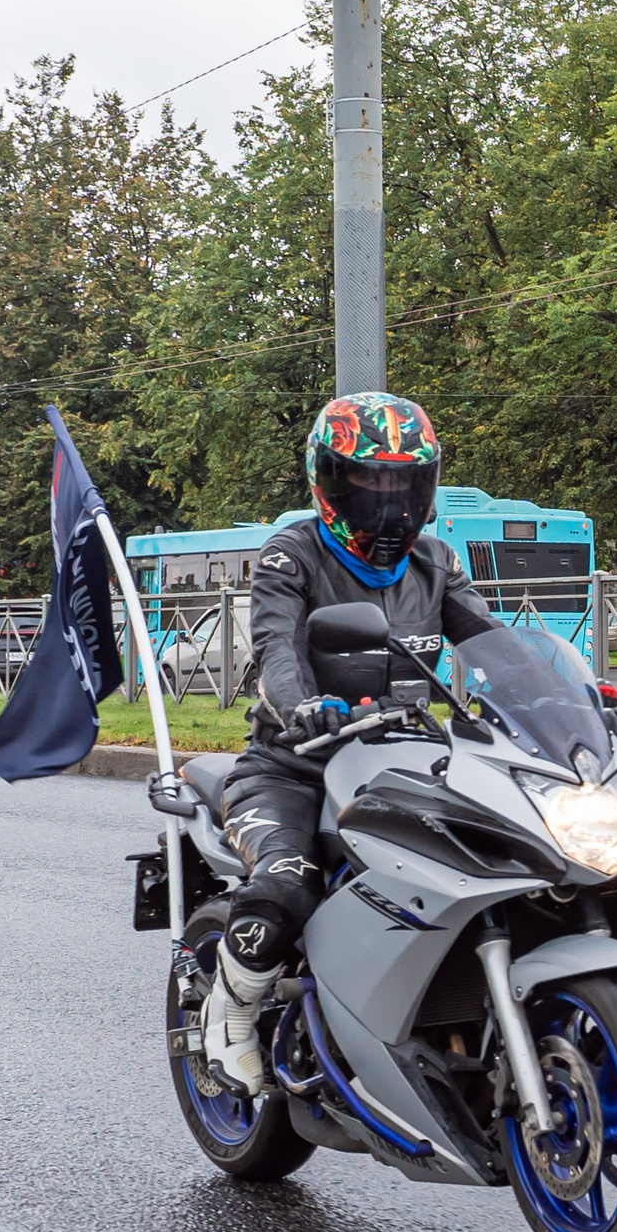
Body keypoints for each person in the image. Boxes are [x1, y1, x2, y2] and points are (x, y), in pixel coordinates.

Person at [200, 392, 499, 1093]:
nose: (389, 502)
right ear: (330, 481)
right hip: (294, 765)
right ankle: (231, 1012)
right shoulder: (290, 555)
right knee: (285, 884)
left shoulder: (434, 561)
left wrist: (559, 693)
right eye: (369, 481)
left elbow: (491, 642)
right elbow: (276, 648)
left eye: (404, 482)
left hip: (411, 763)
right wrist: (303, 706)